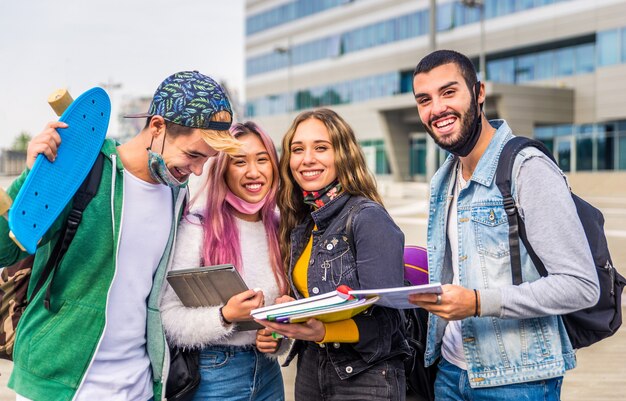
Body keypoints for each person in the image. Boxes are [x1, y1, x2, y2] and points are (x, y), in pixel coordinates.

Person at [0, 71, 240, 401]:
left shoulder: (175, 192)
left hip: (138, 386)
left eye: (206, 160)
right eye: (193, 155)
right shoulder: (84, 167)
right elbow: (6, 251)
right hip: (58, 383)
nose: (197, 170)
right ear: (158, 127)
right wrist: (32, 179)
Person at [408, 50, 600, 400]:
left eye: (449, 92)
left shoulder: (526, 168)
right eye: (425, 99)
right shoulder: (443, 179)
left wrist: (479, 302)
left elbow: (580, 285)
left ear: (479, 92)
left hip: (518, 380)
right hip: (450, 372)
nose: (436, 109)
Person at [259, 108, 410, 401]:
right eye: (297, 149)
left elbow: (389, 325)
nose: (307, 159)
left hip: (366, 379)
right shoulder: (304, 223)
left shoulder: (367, 218)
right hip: (311, 370)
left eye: (321, 148)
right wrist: (289, 315)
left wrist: (322, 332)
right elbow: (317, 303)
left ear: (343, 154)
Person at [160, 121, 289, 401]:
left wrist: (278, 338)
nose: (253, 172)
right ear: (223, 169)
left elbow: (282, 320)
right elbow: (168, 318)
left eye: (262, 160)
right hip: (215, 375)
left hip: (268, 374)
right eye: (239, 161)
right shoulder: (198, 227)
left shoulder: (281, 228)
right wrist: (225, 316)